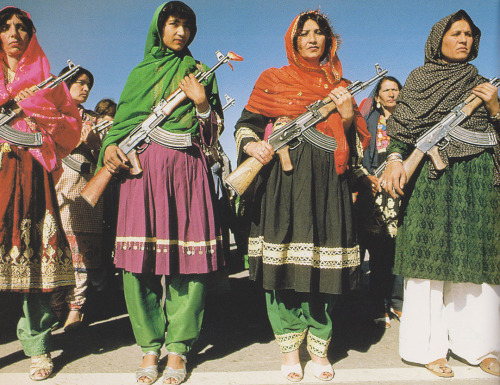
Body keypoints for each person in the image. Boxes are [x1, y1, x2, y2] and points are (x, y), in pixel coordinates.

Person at [234, 11, 370, 382]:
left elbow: (356, 142)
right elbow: (246, 124)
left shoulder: (339, 85)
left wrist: (344, 115)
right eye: (304, 33)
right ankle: (289, 349)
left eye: (319, 33)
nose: (312, 39)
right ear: (292, 41)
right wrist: (253, 148)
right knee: (282, 270)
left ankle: (319, 348)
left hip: (329, 186)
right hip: (282, 184)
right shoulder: (272, 79)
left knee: (322, 271)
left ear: (329, 40)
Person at [98, 2, 224, 384]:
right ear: (159, 27)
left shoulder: (202, 72)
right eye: (173, 23)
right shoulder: (140, 73)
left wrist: (202, 102)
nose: (180, 32)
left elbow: (213, 133)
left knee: (190, 263)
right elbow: (120, 127)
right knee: (139, 265)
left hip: (188, 171)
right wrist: (108, 150)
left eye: (187, 26)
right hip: (142, 176)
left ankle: (179, 350)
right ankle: (150, 347)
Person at [382, 9, 499, 378]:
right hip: (431, 182)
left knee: (474, 262)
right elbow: (400, 131)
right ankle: (427, 348)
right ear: (439, 39)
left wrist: (495, 107)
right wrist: (396, 160)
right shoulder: (418, 80)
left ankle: (480, 347)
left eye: (469, 35)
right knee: (427, 264)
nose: (464, 40)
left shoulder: (482, 83)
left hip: (477, 181)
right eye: (456, 33)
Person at [0, 6, 81, 381]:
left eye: (21, 27)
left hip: (31, 175)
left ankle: (37, 346)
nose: (14, 32)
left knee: (33, 267)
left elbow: (72, 128)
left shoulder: (51, 81)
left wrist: (36, 106)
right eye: (5, 27)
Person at [51, 66, 106, 332]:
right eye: (80, 83)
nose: (85, 89)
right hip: (53, 188)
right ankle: (55, 307)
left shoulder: (97, 120)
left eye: (88, 85)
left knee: (79, 255)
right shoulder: (49, 113)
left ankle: (76, 308)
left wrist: (96, 143)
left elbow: (110, 158)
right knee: (52, 251)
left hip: (83, 191)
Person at [356, 76, 404, 328]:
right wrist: (366, 178)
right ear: (377, 97)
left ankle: (398, 302)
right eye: (386, 90)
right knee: (377, 250)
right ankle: (377, 305)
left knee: (399, 250)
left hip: (401, 191)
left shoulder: (409, 121)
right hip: (372, 192)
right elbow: (359, 154)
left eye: (396, 89)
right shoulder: (368, 122)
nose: (392, 94)